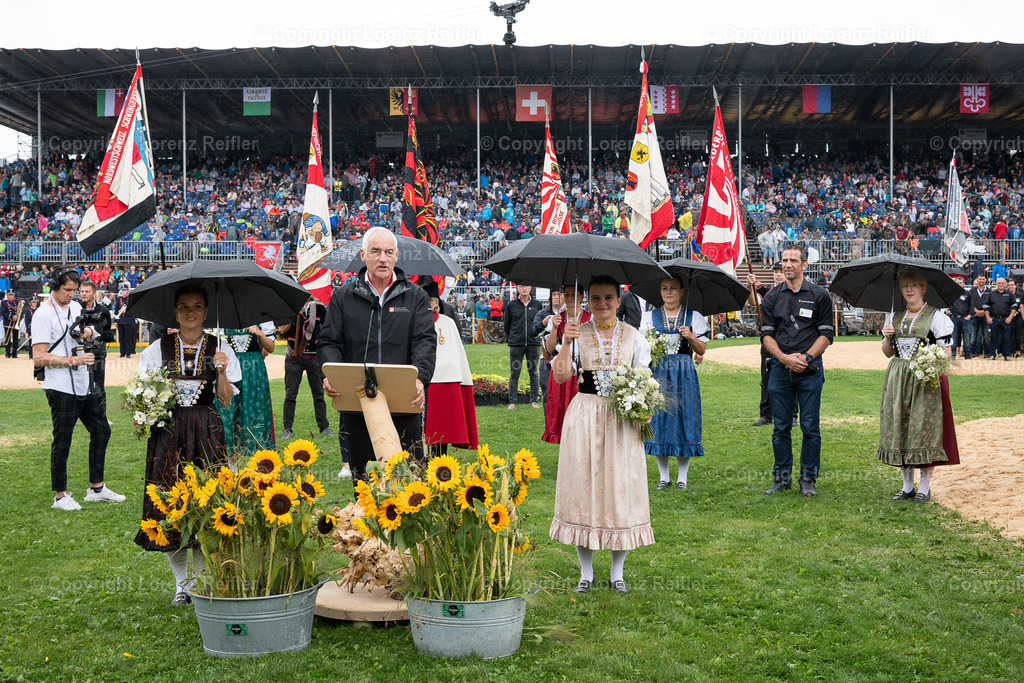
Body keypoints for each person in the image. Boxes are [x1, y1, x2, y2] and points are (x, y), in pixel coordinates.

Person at [135, 283, 241, 605]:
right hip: (169, 435)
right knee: (170, 506)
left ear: (207, 311)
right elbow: (142, 397)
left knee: (205, 506)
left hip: (207, 432)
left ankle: (196, 581)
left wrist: (221, 371)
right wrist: (146, 412)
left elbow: (225, 401)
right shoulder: (156, 349)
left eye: (197, 306)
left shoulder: (222, 348)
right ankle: (181, 584)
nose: (191, 312)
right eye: (184, 306)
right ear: (176, 311)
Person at [549, 275, 654, 594]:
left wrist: (644, 406)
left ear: (619, 301)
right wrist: (566, 342)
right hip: (585, 416)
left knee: (619, 490)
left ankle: (617, 572)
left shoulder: (634, 336)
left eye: (609, 298)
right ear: (587, 302)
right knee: (584, 489)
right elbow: (561, 375)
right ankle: (586, 572)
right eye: (595, 298)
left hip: (621, 418)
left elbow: (644, 375)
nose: (602, 304)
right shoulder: (577, 335)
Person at [319, 227, 436, 482]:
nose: (382, 258)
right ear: (363, 255)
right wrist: (331, 374)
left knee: (411, 482)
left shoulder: (415, 296)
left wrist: (421, 378)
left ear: (396, 256)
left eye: (388, 252)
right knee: (365, 483)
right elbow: (329, 341)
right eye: (375, 251)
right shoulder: (343, 297)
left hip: (404, 404)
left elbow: (425, 341)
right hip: (359, 405)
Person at [31, 267, 123, 511]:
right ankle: (60, 496)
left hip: (84, 381)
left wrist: (89, 333)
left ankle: (97, 488)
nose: (71, 294)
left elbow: (83, 333)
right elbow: (38, 357)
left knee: (102, 431)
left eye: (74, 290)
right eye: (67, 290)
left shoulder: (75, 308)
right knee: (63, 441)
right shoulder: (42, 315)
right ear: (53, 286)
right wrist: (72, 360)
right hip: (60, 385)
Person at [759, 245, 834, 498]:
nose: (787, 264)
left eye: (793, 260)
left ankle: (808, 480)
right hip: (780, 370)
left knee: (810, 427)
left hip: (810, 370)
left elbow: (826, 334)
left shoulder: (820, 295)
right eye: (784, 260)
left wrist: (807, 357)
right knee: (780, 427)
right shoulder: (771, 297)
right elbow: (766, 336)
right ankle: (781, 479)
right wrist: (783, 358)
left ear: (805, 265)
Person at [878, 270, 960, 502]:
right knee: (901, 426)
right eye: (905, 286)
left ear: (924, 288)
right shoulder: (894, 317)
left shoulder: (936, 317)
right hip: (898, 378)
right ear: (901, 290)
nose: (910, 290)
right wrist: (886, 336)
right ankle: (906, 486)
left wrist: (931, 367)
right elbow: (888, 353)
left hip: (925, 379)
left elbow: (946, 353)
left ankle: (924, 486)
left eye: (914, 285)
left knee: (923, 428)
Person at [640, 277, 709, 490]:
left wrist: (690, 337)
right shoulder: (649, 317)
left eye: (672, 288)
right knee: (660, 420)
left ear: (681, 291)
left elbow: (701, 350)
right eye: (664, 289)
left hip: (684, 373)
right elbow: (642, 348)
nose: (668, 292)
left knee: (684, 418)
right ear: (660, 292)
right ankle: (663, 476)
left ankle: (682, 478)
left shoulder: (693, 317)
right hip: (659, 372)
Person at [422, 280, 478, 456]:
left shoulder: (447, 323)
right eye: (424, 300)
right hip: (421, 380)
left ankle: (440, 459)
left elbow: (456, 353)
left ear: (437, 302)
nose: (428, 304)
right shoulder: (414, 322)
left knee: (443, 427)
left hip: (444, 381)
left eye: (431, 300)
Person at [216, 322, 276, 456]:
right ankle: (229, 448)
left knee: (253, 406)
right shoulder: (224, 315)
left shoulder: (261, 318)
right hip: (230, 366)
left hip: (253, 368)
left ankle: (256, 447)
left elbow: (270, 348)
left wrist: (260, 334)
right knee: (229, 406)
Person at [542, 283, 590, 444]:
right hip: (561, 368)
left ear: (582, 296)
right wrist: (555, 327)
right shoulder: (556, 318)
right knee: (561, 410)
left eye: (574, 294)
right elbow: (549, 350)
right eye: (567, 294)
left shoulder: (590, 318)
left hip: (583, 370)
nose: (570, 298)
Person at [278, 298, 333, 439]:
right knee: (290, 394)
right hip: (294, 356)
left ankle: (324, 426)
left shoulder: (320, 310)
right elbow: (281, 329)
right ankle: (287, 429)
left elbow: (328, 330)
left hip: (315, 357)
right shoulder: (290, 308)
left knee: (318, 394)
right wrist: (292, 315)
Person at [747, 263, 786, 426]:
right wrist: (750, 286)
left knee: (791, 377)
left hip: (788, 341)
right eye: (775, 272)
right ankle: (766, 414)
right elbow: (752, 302)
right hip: (768, 341)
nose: (778, 274)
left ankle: (792, 415)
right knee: (767, 378)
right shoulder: (766, 290)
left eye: (781, 271)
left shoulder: (793, 291)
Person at [503, 283, 543, 410]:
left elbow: (541, 324)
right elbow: (507, 325)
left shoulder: (537, 305)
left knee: (534, 373)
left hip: (533, 343)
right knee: (514, 373)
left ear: (531, 288)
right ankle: (513, 402)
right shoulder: (511, 305)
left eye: (526, 286)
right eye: (521, 286)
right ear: (517, 289)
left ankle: (534, 401)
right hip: (516, 344)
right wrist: (514, 337)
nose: (524, 288)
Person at [76, 280, 115, 392]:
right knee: (80, 387)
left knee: (99, 387)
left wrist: (96, 335)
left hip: (98, 353)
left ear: (94, 294)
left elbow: (109, 335)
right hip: (79, 354)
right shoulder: (74, 309)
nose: (83, 293)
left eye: (87, 291)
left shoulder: (104, 311)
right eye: (82, 291)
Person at [531, 289, 562, 407]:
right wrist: (543, 323)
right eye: (553, 295)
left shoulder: (570, 313)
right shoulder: (542, 313)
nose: (556, 297)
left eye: (559, 294)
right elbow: (533, 331)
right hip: (546, 358)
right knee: (547, 389)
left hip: (565, 357)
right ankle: (547, 422)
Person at [983, 277, 1017, 361]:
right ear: (996, 284)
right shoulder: (991, 294)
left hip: (1006, 320)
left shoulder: (1009, 294)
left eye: (1002, 283)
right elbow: (986, 306)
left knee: (1006, 338)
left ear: (1005, 284)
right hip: (994, 319)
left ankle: (1007, 355)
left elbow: (1014, 307)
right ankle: (992, 355)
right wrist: (988, 318)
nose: (1001, 284)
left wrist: (1010, 318)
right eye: (999, 283)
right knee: (993, 338)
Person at [946, 272, 972, 359]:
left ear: (964, 284)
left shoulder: (968, 293)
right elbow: (947, 303)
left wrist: (969, 315)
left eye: (960, 283)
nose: (959, 284)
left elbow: (971, 305)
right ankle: (953, 355)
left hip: (965, 318)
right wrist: (948, 310)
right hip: (954, 318)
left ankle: (967, 355)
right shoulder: (951, 293)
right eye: (957, 283)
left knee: (966, 338)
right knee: (954, 338)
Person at [966, 275, 988, 360]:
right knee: (974, 335)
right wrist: (977, 311)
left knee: (986, 335)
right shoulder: (972, 291)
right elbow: (970, 303)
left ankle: (986, 353)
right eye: (980, 279)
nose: (981, 280)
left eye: (983, 279)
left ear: (985, 280)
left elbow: (990, 303)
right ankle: (972, 352)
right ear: (977, 280)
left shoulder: (989, 291)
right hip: (975, 315)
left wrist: (983, 311)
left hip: (985, 315)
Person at [114, 284, 138, 358]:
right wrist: (115, 321)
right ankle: (122, 353)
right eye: (123, 290)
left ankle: (128, 353)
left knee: (128, 338)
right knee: (121, 338)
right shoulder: (119, 299)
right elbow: (116, 310)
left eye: (125, 290)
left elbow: (133, 310)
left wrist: (126, 311)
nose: (123, 292)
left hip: (128, 321)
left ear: (128, 291)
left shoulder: (130, 299)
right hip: (120, 321)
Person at [2, 289, 20, 358]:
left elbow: (19, 311)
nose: (11, 296)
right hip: (8, 322)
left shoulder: (16, 302)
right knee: (7, 339)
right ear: (7, 296)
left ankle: (14, 353)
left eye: (12, 295)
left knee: (15, 339)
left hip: (15, 323)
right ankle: (7, 353)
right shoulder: (4, 302)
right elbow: (3, 312)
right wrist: (11, 317)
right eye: (10, 295)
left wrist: (17, 317)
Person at [1008, 279, 1023, 358]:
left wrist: (1016, 313)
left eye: (1012, 285)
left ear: (1015, 286)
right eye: (1009, 285)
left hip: (1018, 317)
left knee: (1017, 335)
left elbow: (1022, 306)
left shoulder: (1020, 295)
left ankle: (1018, 351)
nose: (1011, 286)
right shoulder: (1006, 295)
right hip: (1008, 317)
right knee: (1008, 334)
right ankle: (1009, 351)